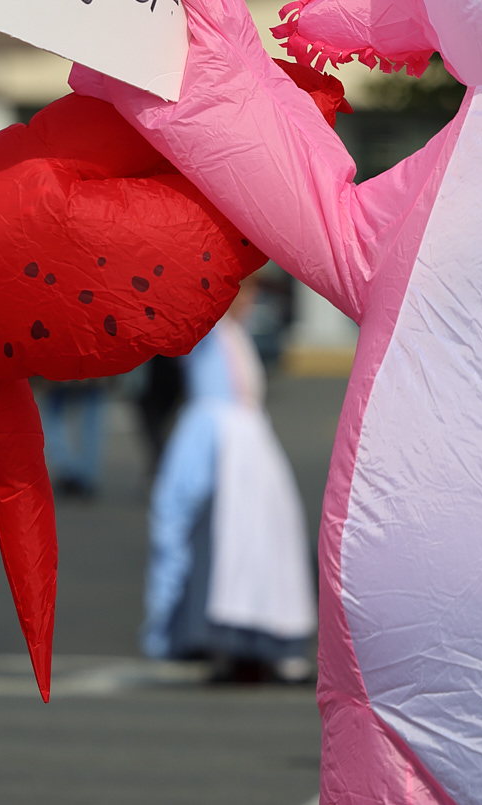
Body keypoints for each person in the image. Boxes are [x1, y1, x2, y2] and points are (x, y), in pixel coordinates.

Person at [141, 278, 316, 681]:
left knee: (263, 546)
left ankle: (262, 644)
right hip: (219, 450)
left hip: (251, 456)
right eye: (245, 292)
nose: (251, 301)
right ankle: (219, 641)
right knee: (217, 542)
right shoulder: (208, 332)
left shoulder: (237, 335)